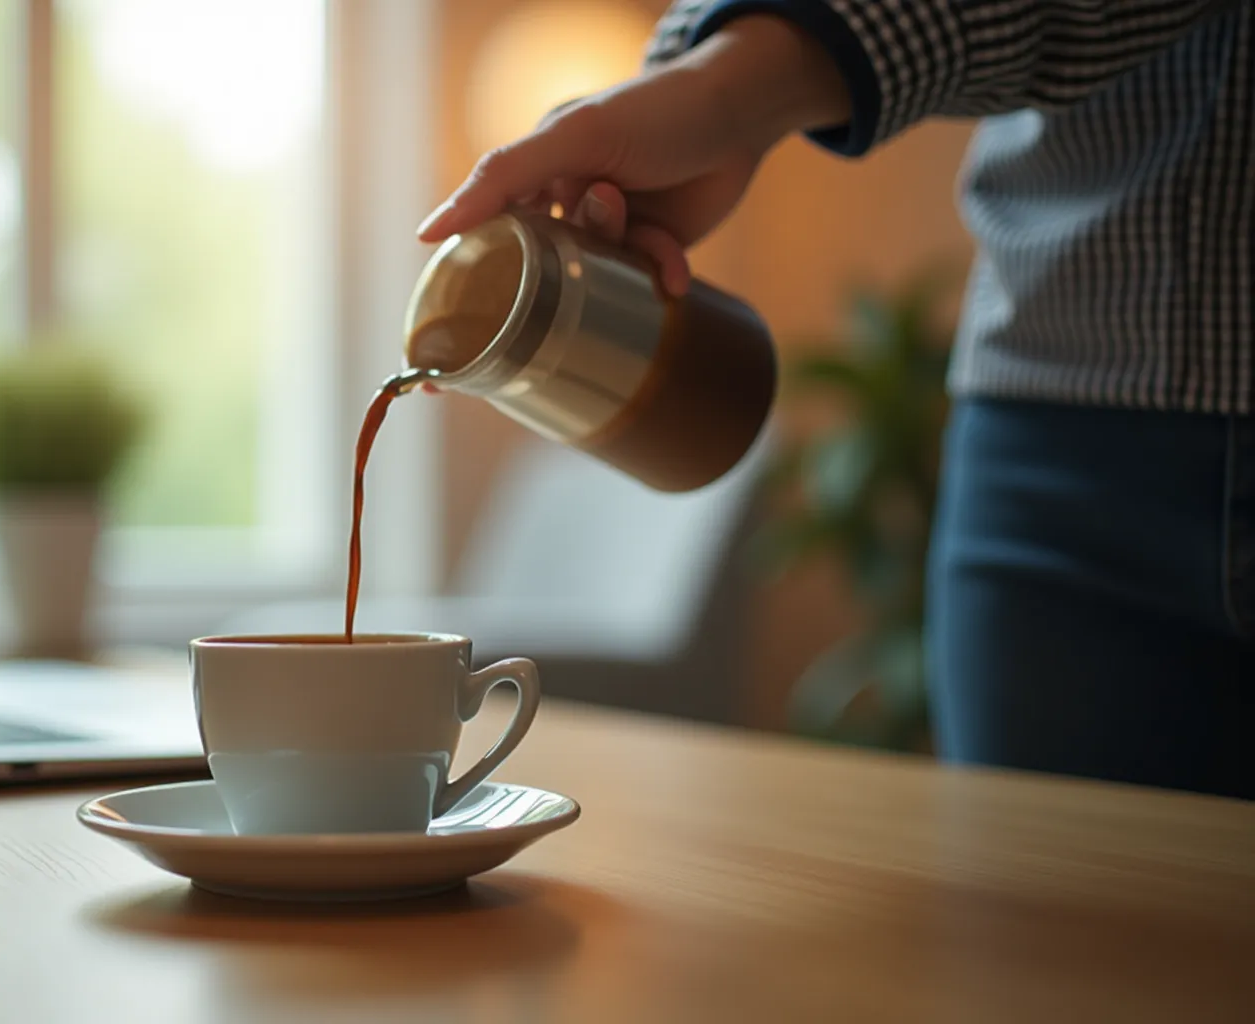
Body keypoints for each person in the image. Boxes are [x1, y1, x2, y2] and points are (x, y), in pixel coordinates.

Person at [419, 1, 1254, 799]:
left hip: (1063, 397)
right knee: (1033, 924)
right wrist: (724, 86)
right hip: (1048, 410)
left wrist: (729, 86)